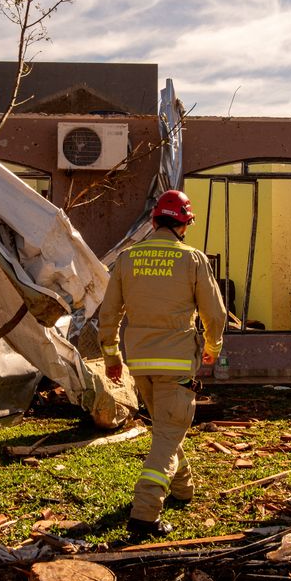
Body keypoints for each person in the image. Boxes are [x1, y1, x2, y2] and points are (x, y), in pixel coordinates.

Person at [98, 189, 227, 539]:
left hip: (140, 362)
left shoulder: (127, 258)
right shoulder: (193, 260)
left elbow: (108, 314)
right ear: (184, 225)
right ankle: (144, 513)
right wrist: (213, 348)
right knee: (169, 432)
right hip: (176, 363)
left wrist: (111, 356)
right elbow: (213, 314)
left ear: (154, 221)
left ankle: (183, 489)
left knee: (166, 431)